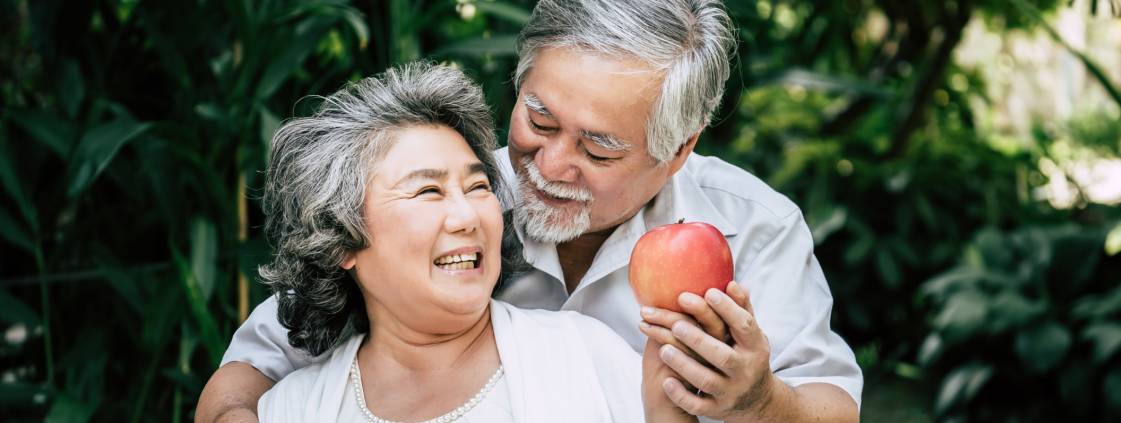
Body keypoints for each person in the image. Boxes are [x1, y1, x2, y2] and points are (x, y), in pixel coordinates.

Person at [198, 1, 863, 422]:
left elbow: (830, 403)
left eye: (598, 149)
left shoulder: (754, 226)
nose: (547, 166)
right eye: (539, 118)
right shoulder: (460, 198)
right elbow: (259, 361)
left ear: (678, 150)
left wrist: (762, 403)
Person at [250, 62, 695, 423]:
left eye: (479, 187)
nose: (469, 217)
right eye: (427, 191)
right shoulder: (289, 409)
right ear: (342, 240)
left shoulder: (590, 359)